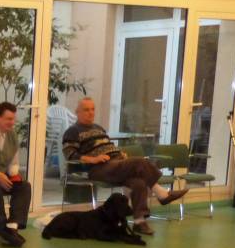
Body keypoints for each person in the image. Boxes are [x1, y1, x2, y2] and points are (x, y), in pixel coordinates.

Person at [62, 97, 188, 235]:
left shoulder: (99, 128)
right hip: (98, 168)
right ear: (77, 112)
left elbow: (107, 147)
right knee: (139, 161)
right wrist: (93, 159)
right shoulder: (72, 131)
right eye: (86, 110)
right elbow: (70, 154)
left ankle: (139, 222)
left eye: (93, 109)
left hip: (115, 164)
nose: (91, 113)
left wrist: (120, 154)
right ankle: (161, 193)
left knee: (139, 183)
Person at [0, 101, 31, 247]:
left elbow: (14, 162)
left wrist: (14, 173)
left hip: (3, 176)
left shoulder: (12, 135)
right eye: (8, 119)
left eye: (13, 119)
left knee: (24, 186)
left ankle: (13, 225)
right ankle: (1, 226)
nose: (12, 122)